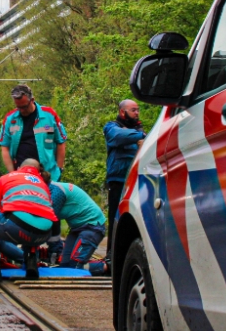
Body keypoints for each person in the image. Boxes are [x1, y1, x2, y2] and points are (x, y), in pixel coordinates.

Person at [0, 158, 58, 283]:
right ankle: (31, 261)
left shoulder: (7, 177)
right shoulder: (43, 184)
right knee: (34, 219)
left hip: (16, 227)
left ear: (20, 167)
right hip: (44, 233)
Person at [39, 167, 107, 274]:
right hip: (77, 228)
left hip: (92, 226)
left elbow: (48, 221)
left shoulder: (56, 192)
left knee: (74, 267)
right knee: (65, 266)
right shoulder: (47, 191)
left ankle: (107, 267)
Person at [103, 100, 146, 261]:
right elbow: (118, 137)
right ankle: (111, 257)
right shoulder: (111, 127)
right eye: (133, 110)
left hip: (136, 181)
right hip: (118, 181)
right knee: (116, 219)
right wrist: (142, 136)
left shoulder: (138, 130)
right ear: (123, 112)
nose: (137, 113)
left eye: (138, 110)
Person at [0, 84, 67, 182]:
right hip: (21, 175)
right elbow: (4, 147)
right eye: (18, 107)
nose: (22, 110)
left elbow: (61, 142)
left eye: (24, 107)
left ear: (32, 100)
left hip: (48, 175)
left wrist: (59, 169)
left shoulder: (49, 115)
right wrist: (12, 173)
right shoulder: (10, 119)